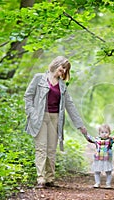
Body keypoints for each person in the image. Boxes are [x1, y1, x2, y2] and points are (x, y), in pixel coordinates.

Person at [24, 56, 87, 189]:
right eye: (63, 67)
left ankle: (49, 179)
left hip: (55, 118)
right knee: (41, 148)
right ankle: (40, 179)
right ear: (56, 64)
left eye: (66, 69)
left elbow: (70, 105)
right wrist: (32, 113)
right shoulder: (39, 78)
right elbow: (28, 96)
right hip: (40, 118)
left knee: (51, 150)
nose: (64, 71)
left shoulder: (63, 85)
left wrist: (80, 125)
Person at [82, 124, 114, 189]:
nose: (104, 134)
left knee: (108, 171)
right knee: (97, 171)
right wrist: (85, 133)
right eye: (102, 132)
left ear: (109, 133)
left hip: (107, 158)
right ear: (99, 133)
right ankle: (97, 183)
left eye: (106, 132)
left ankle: (108, 184)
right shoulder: (97, 140)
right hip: (98, 158)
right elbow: (89, 138)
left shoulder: (110, 140)